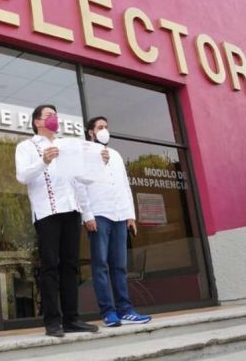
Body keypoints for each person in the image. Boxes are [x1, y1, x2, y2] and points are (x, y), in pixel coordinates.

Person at [15, 104, 99, 337]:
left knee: (71, 266)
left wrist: (97, 163)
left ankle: (72, 319)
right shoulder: (26, 146)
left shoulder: (67, 145)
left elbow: (82, 180)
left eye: (55, 115)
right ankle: (52, 321)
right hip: (47, 212)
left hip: (72, 210)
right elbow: (22, 176)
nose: (54, 119)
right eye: (48, 115)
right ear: (37, 122)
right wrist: (43, 160)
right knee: (50, 266)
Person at [84, 116, 152, 326]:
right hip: (99, 215)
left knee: (120, 266)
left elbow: (124, 184)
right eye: (100, 127)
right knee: (100, 266)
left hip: (119, 215)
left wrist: (130, 215)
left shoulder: (116, 154)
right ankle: (108, 312)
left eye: (106, 127)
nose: (104, 130)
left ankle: (125, 310)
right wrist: (87, 215)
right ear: (91, 132)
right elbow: (80, 186)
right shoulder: (85, 153)